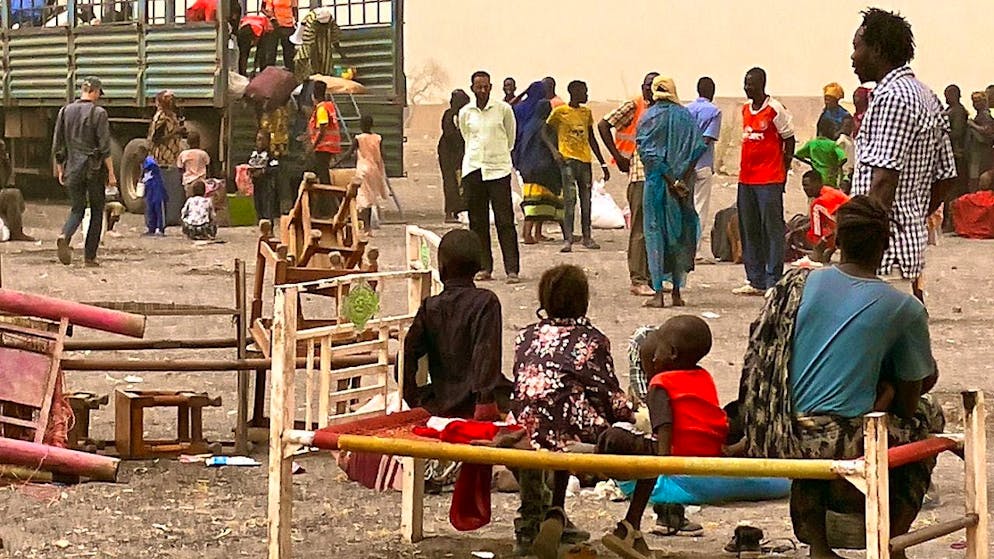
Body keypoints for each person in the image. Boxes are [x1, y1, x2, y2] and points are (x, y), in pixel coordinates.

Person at [738, 196, 943, 559]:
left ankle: (819, 544)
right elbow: (911, 401)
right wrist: (893, 388)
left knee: (821, 416)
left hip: (780, 430)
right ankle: (890, 539)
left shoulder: (797, 283)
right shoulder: (904, 307)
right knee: (929, 416)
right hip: (840, 439)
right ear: (884, 246)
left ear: (836, 242)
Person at [510, 264, 634, 559]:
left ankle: (534, 520)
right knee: (613, 433)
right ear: (583, 300)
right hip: (568, 430)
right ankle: (563, 514)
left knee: (542, 430)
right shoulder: (592, 340)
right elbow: (607, 395)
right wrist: (632, 412)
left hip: (524, 424)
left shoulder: (525, 336)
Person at [850, 8, 957, 303]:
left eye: (857, 47)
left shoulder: (893, 98)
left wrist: (860, 253)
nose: (853, 57)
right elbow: (946, 176)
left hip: (882, 260)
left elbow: (883, 182)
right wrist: (912, 214)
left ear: (878, 50)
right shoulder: (926, 95)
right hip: (905, 252)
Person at [598, 316, 726, 559]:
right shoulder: (704, 377)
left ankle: (630, 521)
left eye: (657, 350)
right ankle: (630, 527)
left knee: (615, 435)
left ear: (673, 353)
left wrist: (663, 457)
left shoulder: (661, 382)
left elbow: (664, 423)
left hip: (675, 450)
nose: (653, 357)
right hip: (708, 447)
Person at [401, 229, 512, 419]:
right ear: (478, 265)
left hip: (441, 401)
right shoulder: (486, 302)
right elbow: (485, 354)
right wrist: (485, 402)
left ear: (441, 266)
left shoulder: (431, 306)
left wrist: (411, 397)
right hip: (477, 403)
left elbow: (408, 353)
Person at [636, 76, 705, 308]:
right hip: (683, 188)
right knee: (679, 235)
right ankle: (676, 290)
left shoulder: (650, 116)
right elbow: (697, 148)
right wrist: (681, 179)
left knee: (655, 234)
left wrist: (670, 178)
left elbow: (649, 154)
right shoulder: (686, 117)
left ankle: (658, 292)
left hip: (657, 185)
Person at [733, 67, 795, 295]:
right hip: (746, 179)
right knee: (749, 228)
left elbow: (789, 140)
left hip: (769, 179)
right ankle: (755, 279)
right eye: (745, 83)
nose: (747, 87)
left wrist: (784, 171)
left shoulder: (774, 109)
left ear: (762, 84)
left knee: (771, 228)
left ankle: (773, 280)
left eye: (751, 84)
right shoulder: (745, 110)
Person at [598, 72, 659, 296]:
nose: (649, 90)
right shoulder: (635, 105)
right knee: (640, 229)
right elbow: (604, 124)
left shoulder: (662, 108)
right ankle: (638, 278)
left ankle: (652, 276)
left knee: (655, 229)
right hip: (639, 174)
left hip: (658, 177)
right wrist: (618, 157)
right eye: (646, 86)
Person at [458, 70, 520, 283]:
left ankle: (512, 269)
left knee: (505, 221)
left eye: (486, 86)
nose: (482, 90)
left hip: (498, 171)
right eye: (479, 87)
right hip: (474, 169)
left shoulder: (503, 110)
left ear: (491, 87)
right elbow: (466, 136)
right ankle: (484, 267)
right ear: (472, 88)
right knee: (478, 223)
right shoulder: (466, 112)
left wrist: (499, 155)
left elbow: (511, 137)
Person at [52, 76, 117, 266]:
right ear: (95, 92)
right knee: (97, 211)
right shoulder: (99, 113)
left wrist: (60, 168)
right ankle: (90, 257)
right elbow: (105, 147)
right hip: (93, 169)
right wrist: (111, 174)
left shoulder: (65, 111)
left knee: (77, 208)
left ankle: (65, 234)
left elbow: (58, 143)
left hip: (72, 167)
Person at [542, 80, 608, 253]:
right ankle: (568, 239)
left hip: (585, 161)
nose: (586, 95)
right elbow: (545, 132)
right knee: (570, 200)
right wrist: (555, 152)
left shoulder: (586, 113)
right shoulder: (560, 112)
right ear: (574, 92)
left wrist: (602, 162)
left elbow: (591, 137)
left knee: (586, 200)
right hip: (568, 160)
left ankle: (587, 236)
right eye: (584, 92)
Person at [514, 99, 565, 244]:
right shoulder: (543, 127)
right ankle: (527, 234)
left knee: (541, 202)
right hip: (540, 170)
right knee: (534, 205)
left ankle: (537, 233)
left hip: (528, 169)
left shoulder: (529, 126)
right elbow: (548, 144)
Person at [685, 77, 723, 259]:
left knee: (685, 207)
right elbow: (707, 139)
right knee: (699, 208)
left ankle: (683, 249)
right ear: (712, 92)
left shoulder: (686, 110)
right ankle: (695, 250)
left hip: (684, 166)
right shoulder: (714, 111)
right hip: (702, 165)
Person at [147, 90, 184, 219]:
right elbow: (156, 139)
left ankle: (169, 215)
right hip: (162, 157)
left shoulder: (171, 115)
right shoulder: (161, 117)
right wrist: (175, 133)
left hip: (171, 156)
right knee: (163, 188)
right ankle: (162, 217)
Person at [349, 115, 389, 230]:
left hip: (362, 170)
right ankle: (367, 227)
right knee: (370, 199)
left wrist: (336, 164)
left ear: (361, 125)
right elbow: (383, 155)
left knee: (363, 199)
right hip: (374, 170)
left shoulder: (359, 138)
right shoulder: (378, 138)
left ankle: (365, 226)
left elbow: (349, 153)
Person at [802, 169, 849, 263]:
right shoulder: (828, 191)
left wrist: (818, 248)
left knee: (814, 234)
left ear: (818, 183)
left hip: (848, 229)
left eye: (807, 185)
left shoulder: (819, 202)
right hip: (851, 225)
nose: (805, 189)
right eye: (803, 186)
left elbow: (817, 231)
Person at [292, 7, 349, 83]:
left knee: (325, 63)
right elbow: (308, 42)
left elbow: (334, 36)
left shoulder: (330, 19)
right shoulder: (310, 20)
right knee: (304, 61)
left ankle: (324, 82)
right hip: (308, 43)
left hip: (325, 40)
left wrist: (341, 53)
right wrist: (311, 61)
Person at [438, 89, 470, 223]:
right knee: (451, 183)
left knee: (460, 183)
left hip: (458, 154)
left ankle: (458, 211)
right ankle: (450, 212)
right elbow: (450, 135)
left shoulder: (462, 115)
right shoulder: (451, 115)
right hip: (448, 154)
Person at [943, 84, 969, 231]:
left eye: (948, 94)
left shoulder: (957, 111)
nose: (946, 97)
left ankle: (952, 222)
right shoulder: (950, 110)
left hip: (956, 154)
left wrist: (942, 133)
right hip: (950, 154)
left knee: (953, 190)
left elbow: (957, 133)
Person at [794, 117, 847, 187]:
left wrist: (812, 162)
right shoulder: (833, 145)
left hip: (816, 179)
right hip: (830, 179)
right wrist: (835, 167)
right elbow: (843, 158)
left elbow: (798, 155)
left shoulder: (812, 144)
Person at [308, 80, 341, 185]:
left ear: (313, 95)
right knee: (322, 174)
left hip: (323, 147)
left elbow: (322, 129)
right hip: (328, 146)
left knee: (323, 176)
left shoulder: (321, 109)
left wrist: (313, 146)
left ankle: (327, 199)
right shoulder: (328, 106)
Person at [248, 129, 280, 222]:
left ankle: (269, 227)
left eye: (262, 139)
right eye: (258, 139)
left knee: (267, 206)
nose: (260, 142)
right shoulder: (254, 154)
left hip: (267, 184)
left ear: (267, 141)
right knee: (258, 206)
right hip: (256, 183)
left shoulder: (271, 155)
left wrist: (263, 171)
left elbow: (275, 168)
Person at [967, 91, 994, 191]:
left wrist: (972, 125)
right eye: (974, 101)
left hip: (982, 153)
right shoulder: (979, 115)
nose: (975, 104)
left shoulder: (985, 115)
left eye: (978, 101)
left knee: (977, 180)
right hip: (976, 152)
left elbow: (988, 130)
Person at [140, 145, 167, 236]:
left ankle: (160, 228)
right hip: (149, 189)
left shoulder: (150, 161)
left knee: (158, 208)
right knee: (150, 208)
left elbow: (152, 168)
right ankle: (151, 228)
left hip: (157, 188)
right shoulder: (143, 164)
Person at [262, 0, 296, 71]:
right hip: (274, 25)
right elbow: (263, 8)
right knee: (270, 53)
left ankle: (290, 74)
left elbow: (294, 8)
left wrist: (296, 22)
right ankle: (269, 74)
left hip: (288, 25)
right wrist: (272, 18)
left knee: (289, 54)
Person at [176, 130, 210, 196]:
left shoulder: (183, 154)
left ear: (188, 142)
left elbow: (180, 168)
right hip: (201, 181)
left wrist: (182, 178)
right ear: (199, 141)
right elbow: (208, 167)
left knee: (190, 200)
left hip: (188, 181)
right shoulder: (203, 154)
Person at [836, 116, 856, 194]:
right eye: (846, 126)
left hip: (851, 170)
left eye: (850, 126)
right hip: (844, 170)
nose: (848, 128)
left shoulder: (852, 140)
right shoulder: (841, 140)